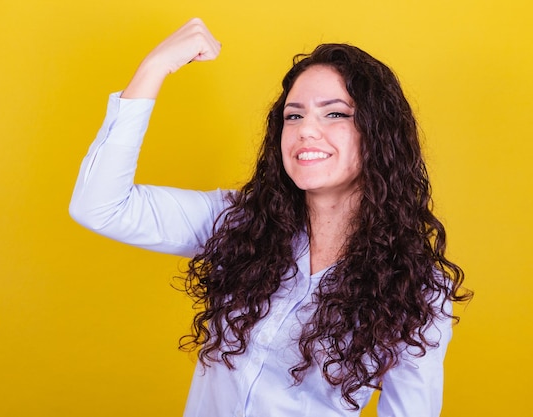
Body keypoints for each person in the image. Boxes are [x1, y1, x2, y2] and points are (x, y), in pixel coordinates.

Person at [70, 18, 471, 417]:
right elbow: (100, 206)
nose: (305, 131)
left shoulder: (417, 288)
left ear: (379, 136)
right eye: (293, 116)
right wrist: (154, 67)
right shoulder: (240, 223)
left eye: (335, 114)